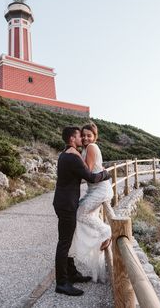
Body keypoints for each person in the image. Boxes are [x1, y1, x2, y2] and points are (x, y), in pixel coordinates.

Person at [53, 126, 110, 297]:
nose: (82, 139)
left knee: (67, 240)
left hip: (64, 202)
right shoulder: (72, 157)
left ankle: (72, 273)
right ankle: (62, 283)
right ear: (72, 138)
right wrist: (106, 174)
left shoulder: (66, 153)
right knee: (64, 243)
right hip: (67, 204)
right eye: (79, 136)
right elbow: (91, 177)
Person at [69, 123, 113, 283]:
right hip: (93, 190)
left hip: (100, 190)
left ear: (95, 137)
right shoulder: (85, 149)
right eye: (84, 135)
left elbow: (86, 171)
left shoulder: (92, 147)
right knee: (80, 214)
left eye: (90, 135)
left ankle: (106, 231)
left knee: (80, 215)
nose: (86, 138)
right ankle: (98, 237)